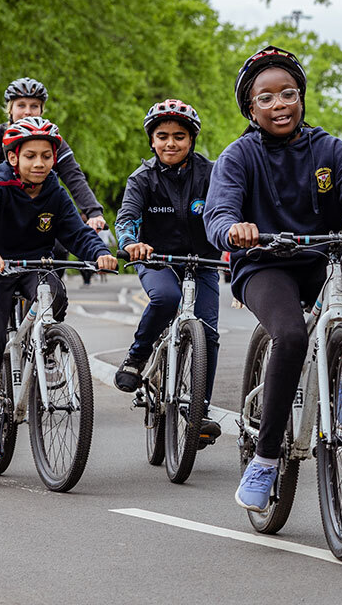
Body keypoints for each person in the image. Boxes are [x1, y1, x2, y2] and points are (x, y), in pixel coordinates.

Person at [203, 46, 342, 512]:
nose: (280, 104)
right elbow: (219, 211)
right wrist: (233, 229)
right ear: (250, 107)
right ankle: (265, 459)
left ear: (301, 97)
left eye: (288, 93)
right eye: (266, 98)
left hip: (323, 259)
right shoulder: (238, 155)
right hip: (264, 264)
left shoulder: (330, 149)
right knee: (287, 335)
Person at [0, 116, 117, 452]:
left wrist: (101, 253)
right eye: (31, 156)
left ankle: (44, 345)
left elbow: (77, 233)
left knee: (57, 295)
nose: (39, 163)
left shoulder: (55, 193)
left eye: (46, 156)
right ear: (13, 158)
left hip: (37, 264)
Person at [113, 99, 222, 443]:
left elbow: (228, 211)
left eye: (179, 136)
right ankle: (138, 356)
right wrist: (132, 243)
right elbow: (127, 217)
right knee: (166, 297)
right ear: (152, 140)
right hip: (156, 259)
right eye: (162, 136)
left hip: (202, 262)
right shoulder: (142, 179)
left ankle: (199, 410)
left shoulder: (211, 173)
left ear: (191, 140)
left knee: (208, 334)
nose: (170, 143)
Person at [0, 77, 105, 232]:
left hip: (40, 219)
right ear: (10, 109)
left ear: (41, 111)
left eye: (34, 106)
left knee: (59, 246)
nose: (27, 112)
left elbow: (74, 176)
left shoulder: (51, 140)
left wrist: (94, 212)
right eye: (21, 105)